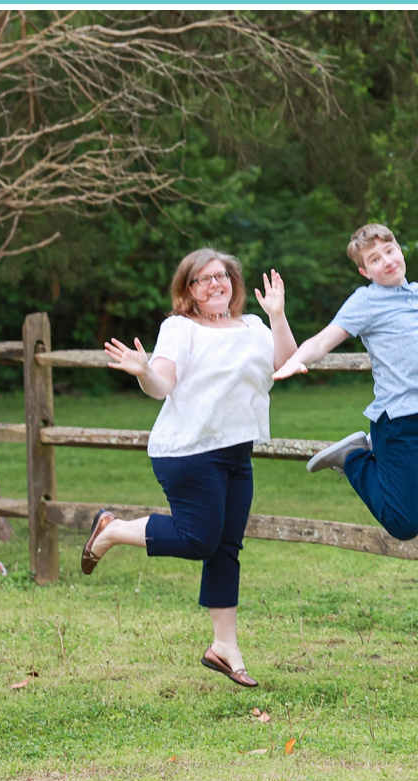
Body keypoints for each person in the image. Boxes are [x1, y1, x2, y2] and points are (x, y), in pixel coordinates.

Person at [81, 249, 298, 687]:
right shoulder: (179, 329)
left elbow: (285, 361)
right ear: (189, 291)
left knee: (225, 547)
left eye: (221, 276)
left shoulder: (254, 326)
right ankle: (113, 530)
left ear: (233, 282)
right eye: (203, 280)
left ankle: (224, 648)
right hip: (187, 451)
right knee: (200, 539)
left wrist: (277, 315)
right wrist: (143, 372)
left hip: (236, 451)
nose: (215, 284)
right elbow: (162, 385)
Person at [272, 223, 418, 541]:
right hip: (397, 423)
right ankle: (354, 457)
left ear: (400, 250)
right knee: (404, 526)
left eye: (389, 251)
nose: (386, 260)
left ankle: (391, 474)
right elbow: (324, 340)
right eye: (374, 259)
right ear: (364, 271)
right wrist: (296, 360)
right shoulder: (365, 302)